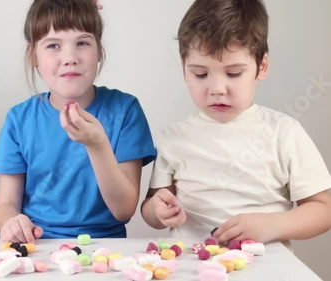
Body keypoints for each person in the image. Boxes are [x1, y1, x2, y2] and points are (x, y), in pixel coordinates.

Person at [141, 0, 331, 246]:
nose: (217, 89)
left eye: (233, 73)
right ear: (184, 69)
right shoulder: (173, 138)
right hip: (193, 267)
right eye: (200, 74)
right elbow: (152, 210)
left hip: (264, 269)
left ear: (261, 67)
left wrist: (271, 225)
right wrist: (157, 211)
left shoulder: (284, 132)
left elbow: (323, 210)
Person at [0, 0, 156, 243]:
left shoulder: (126, 110)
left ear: (98, 50)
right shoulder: (19, 119)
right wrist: (12, 223)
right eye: (53, 45)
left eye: (82, 43)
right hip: (39, 245)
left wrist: (97, 145)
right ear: (32, 55)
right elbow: (6, 204)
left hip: (105, 247)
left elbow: (124, 209)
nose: (70, 58)